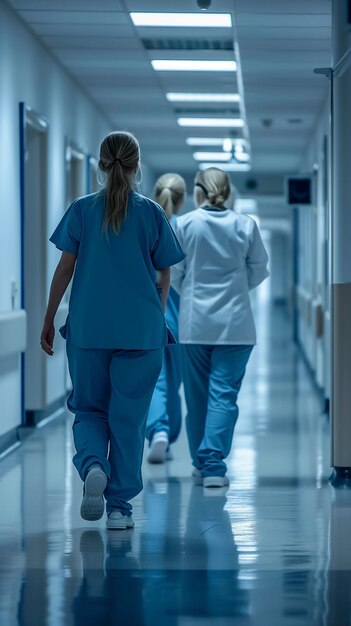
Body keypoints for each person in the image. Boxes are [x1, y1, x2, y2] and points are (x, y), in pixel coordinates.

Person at [40, 131, 185, 529]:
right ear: (137, 166)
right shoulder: (152, 212)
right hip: (140, 334)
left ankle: (92, 468)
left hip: (89, 332)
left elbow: (65, 268)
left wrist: (49, 317)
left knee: (88, 409)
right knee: (128, 419)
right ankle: (119, 506)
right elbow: (163, 273)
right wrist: (154, 316)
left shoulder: (82, 210)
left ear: (101, 165)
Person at [172, 167, 269, 488]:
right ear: (227, 192)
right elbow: (259, 270)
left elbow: (174, 274)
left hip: (194, 325)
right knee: (223, 396)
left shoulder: (184, 224)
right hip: (236, 325)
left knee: (197, 399)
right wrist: (237, 288)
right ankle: (213, 464)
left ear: (198, 191)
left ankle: (203, 463)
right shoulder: (245, 225)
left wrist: (192, 293)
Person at [146, 173, 186, 463]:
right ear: (182, 199)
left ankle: (158, 430)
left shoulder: (147, 226)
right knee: (174, 382)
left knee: (156, 378)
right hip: (185, 320)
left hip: (152, 314)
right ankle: (168, 434)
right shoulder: (186, 229)